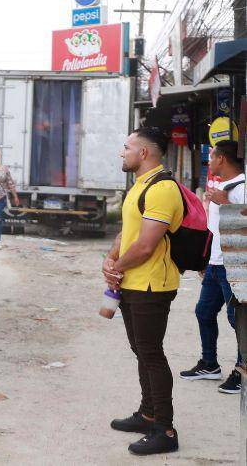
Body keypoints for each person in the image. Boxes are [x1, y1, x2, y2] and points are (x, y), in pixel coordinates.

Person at [103, 127, 183, 456]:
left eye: (126, 147)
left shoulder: (163, 188)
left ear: (144, 153)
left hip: (152, 284)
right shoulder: (140, 185)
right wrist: (111, 259)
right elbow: (128, 232)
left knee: (151, 354)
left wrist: (117, 267)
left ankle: (164, 428)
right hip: (132, 283)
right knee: (141, 351)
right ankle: (147, 412)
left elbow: (147, 245)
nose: (122, 153)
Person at [179, 140, 245, 393]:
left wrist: (225, 203)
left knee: (237, 320)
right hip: (217, 264)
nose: (209, 162)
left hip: (235, 266)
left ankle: (242, 372)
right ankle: (209, 363)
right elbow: (216, 230)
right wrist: (206, 260)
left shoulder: (240, 188)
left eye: (212, 157)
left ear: (222, 159)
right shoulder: (225, 187)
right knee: (204, 312)